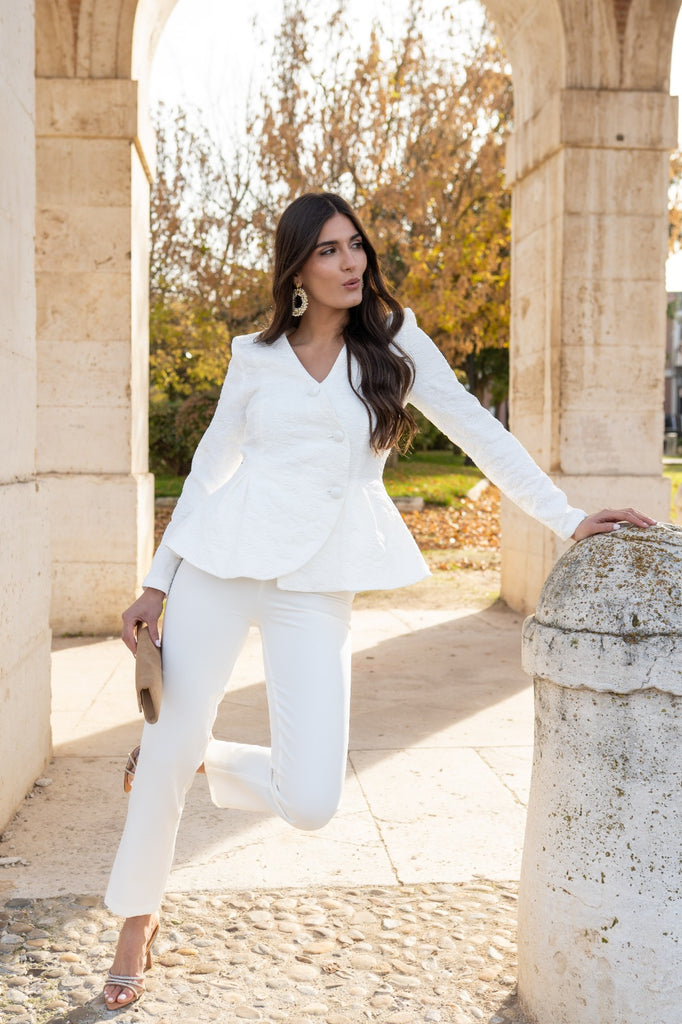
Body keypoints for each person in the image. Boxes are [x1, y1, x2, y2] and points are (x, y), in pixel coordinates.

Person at [102, 191, 655, 1008]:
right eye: (328, 250)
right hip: (220, 561)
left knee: (311, 800)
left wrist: (567, 517)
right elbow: (211, 467)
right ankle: (135, 922)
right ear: (297, 269)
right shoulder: (256, 355)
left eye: (355, 244)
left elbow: (479, 431)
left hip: (318, 580)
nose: (350, 261)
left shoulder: (394, 343)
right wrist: (157, 582)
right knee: (168, 744)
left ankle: (192, 756)